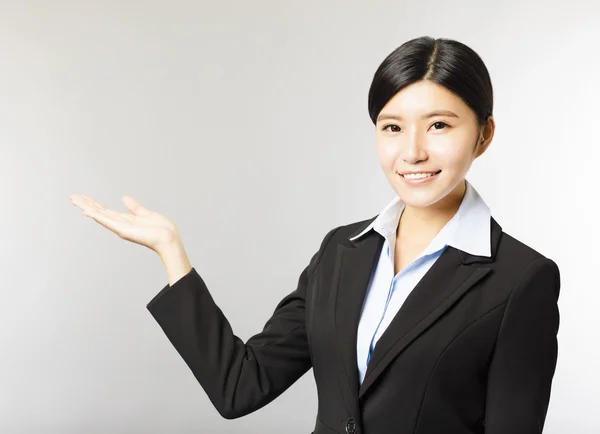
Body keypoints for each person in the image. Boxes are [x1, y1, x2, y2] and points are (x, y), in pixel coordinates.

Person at [70, 36, 561, 434]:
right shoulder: (341, 252)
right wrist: (171, 252)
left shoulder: (521, 280)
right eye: (392, 127)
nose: (412, 151)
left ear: (483, 135)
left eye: (438, 125)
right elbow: (241, 386)